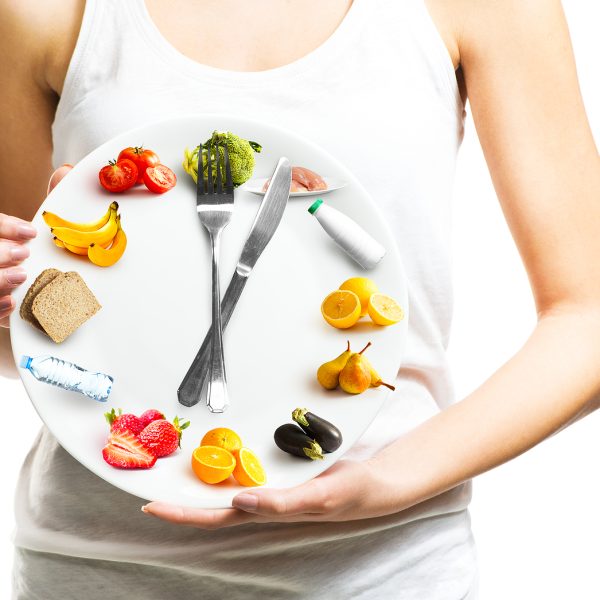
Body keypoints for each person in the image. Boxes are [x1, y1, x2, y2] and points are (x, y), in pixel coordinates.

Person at [1, 0, 599, 598]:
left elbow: (588, 318)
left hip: (383, 570)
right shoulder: (37, 11)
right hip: (92, 569)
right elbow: (28, 343)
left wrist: (388, 479)